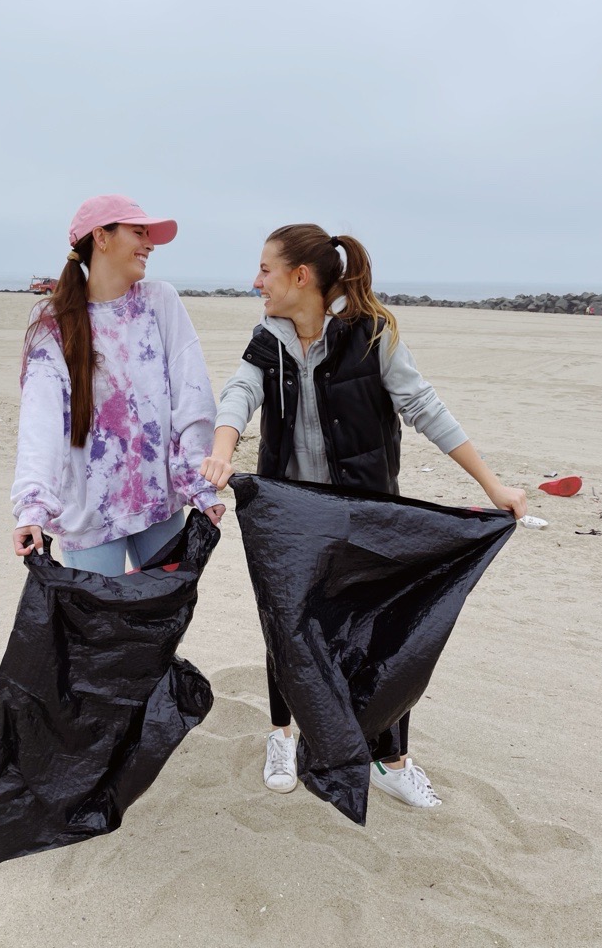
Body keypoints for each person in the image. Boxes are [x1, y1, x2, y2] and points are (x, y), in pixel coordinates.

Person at [200, 224, 527, 807]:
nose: (256, 282)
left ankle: (390, 759)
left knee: (378, 634)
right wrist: (222, 451)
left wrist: (492, 485)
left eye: (265, 270)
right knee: (287, 626)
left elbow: (425, 406)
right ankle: (283, 736)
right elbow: (239, 393)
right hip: (289, 521)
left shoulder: (372, 335)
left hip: (364, 518)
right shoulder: (267, 338)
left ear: (300, 277)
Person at [12, 194, 224, 577]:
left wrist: (198, 481)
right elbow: (39, 422)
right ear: (101, 237)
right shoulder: (53, 321)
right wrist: (32, 506)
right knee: (99, 633)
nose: (150, 244)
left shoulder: (160, 302)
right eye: (138, 232)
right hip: (89, 516)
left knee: (161, 625)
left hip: (161, 505)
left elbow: (193, 396)